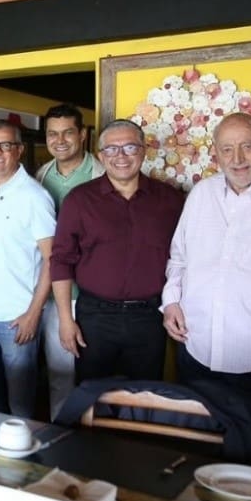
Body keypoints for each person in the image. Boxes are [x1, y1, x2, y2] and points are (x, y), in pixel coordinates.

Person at [162, 111, 251, 470]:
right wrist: (171, 301)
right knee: (201, 453)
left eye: (246, 147)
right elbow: (179, 257)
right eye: (227, 150)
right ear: (216, 155)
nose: (237, 159)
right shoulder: (202, 195)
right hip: (199, 352)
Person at [50, 118, 184, 386]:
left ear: (143, 151)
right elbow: (61, 261)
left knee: (145, 398)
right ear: (101, 155)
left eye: (130, 148)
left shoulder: (170, 200)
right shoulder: (79, 200)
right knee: (91, 398)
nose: (120, 156)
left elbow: (184, 258)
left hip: (149, 318)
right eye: (111, 149)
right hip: (95, 318)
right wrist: (66, 320)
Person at [0, 120, 56, 418]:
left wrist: (34, 313)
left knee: (20, 407)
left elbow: (52, 259)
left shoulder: (35, 196)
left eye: (6, 145)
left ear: (19, 150)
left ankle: (23, 464)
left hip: (16, 319)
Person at [36, 103, 105, 419]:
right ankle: (59, 438)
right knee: (60, 377)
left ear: (83, 134)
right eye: (52, 134)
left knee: (98, 380)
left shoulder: (104, 175)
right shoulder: (39, 178)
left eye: (67, 133)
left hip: (96, 296)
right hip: (55, 296)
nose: (59, 140)